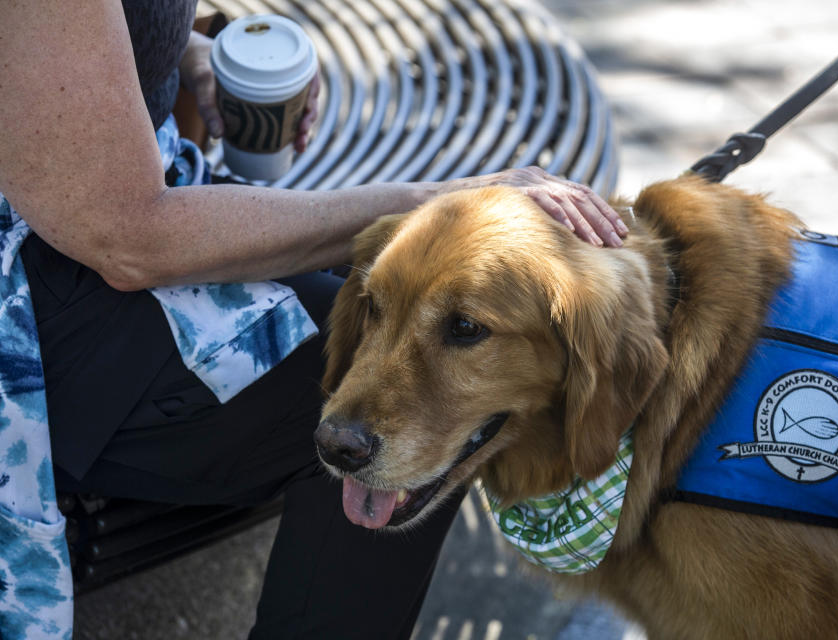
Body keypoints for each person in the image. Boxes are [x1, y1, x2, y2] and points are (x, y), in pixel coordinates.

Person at [0, 1, 627, 638]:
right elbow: (128, 240)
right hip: (40, 290)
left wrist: (190, 51)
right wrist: (436, 201)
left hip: (121, 194)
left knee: (381, 356)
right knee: (374, 398)